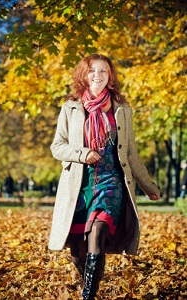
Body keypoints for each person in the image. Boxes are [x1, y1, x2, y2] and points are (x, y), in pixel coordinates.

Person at [48, 54, 160, 299]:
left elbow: (131, 153)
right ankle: (90, 279)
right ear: (83, 75)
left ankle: (88, 295)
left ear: (110, 77)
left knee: (97, 232)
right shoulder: (71, 108)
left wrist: (148, 185)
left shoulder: (122, 110)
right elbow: (57, 146)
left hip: (111, 181)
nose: (97, 75)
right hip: (80, 184)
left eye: (103, 71)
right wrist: (81, 153)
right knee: (78, 249)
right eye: (92, 71)